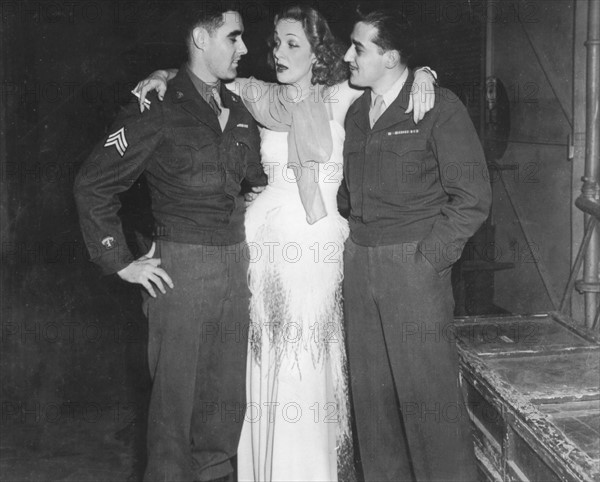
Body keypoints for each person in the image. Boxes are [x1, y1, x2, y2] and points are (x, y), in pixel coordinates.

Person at [134, 6, 436, 481]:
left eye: (292, 43)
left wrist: (425, 73)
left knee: (308, 362)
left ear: (319, 53)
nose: (278, 53)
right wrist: (161, 72)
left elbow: (389, 72)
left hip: (316, 246)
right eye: (275, 42)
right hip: (258, 245)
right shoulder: (257, 95)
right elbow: (201, 74)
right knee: (260, 359)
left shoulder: (342, 95)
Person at [74, 4, 268, 482]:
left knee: (224, 413)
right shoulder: (156, 107)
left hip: (235, 271)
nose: (244, 48)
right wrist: (120, 261)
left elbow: (253, 181)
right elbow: (93, 183)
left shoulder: (240, 110)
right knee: (172, 420)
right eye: (234, 37)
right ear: (201, 40)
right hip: (180, 273)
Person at [340, 8, 492, 481]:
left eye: (358, 48)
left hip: (413, 269)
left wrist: (428, 261)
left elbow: (472, 197)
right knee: (374, 406)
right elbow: (350, 195)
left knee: (430, 407)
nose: (348, 55)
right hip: (361, 266)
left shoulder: (437, 106)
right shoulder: (355, 113)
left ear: (390, 57)